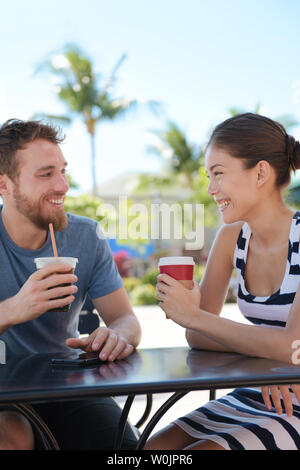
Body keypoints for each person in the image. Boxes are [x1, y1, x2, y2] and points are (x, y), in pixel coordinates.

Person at [146, 113, 300, 451]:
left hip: (296, 401)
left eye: (218, 174)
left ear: (260, 172)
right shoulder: (232, 237)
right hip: (263, 388)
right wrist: (271, 357)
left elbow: (292, 345)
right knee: (151, 450)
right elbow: (197, 335)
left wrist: (197, 316)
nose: (210, 188)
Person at [0, 119, 141, 450]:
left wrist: (116, 335)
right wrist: (14, 309)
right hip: (4, 388)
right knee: (13, 440)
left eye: (63, 171)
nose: (63, 185)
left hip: (67, 382)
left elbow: (126, 319)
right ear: (4, 185)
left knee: (124, 449)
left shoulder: (85, 236)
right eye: (46, 174)